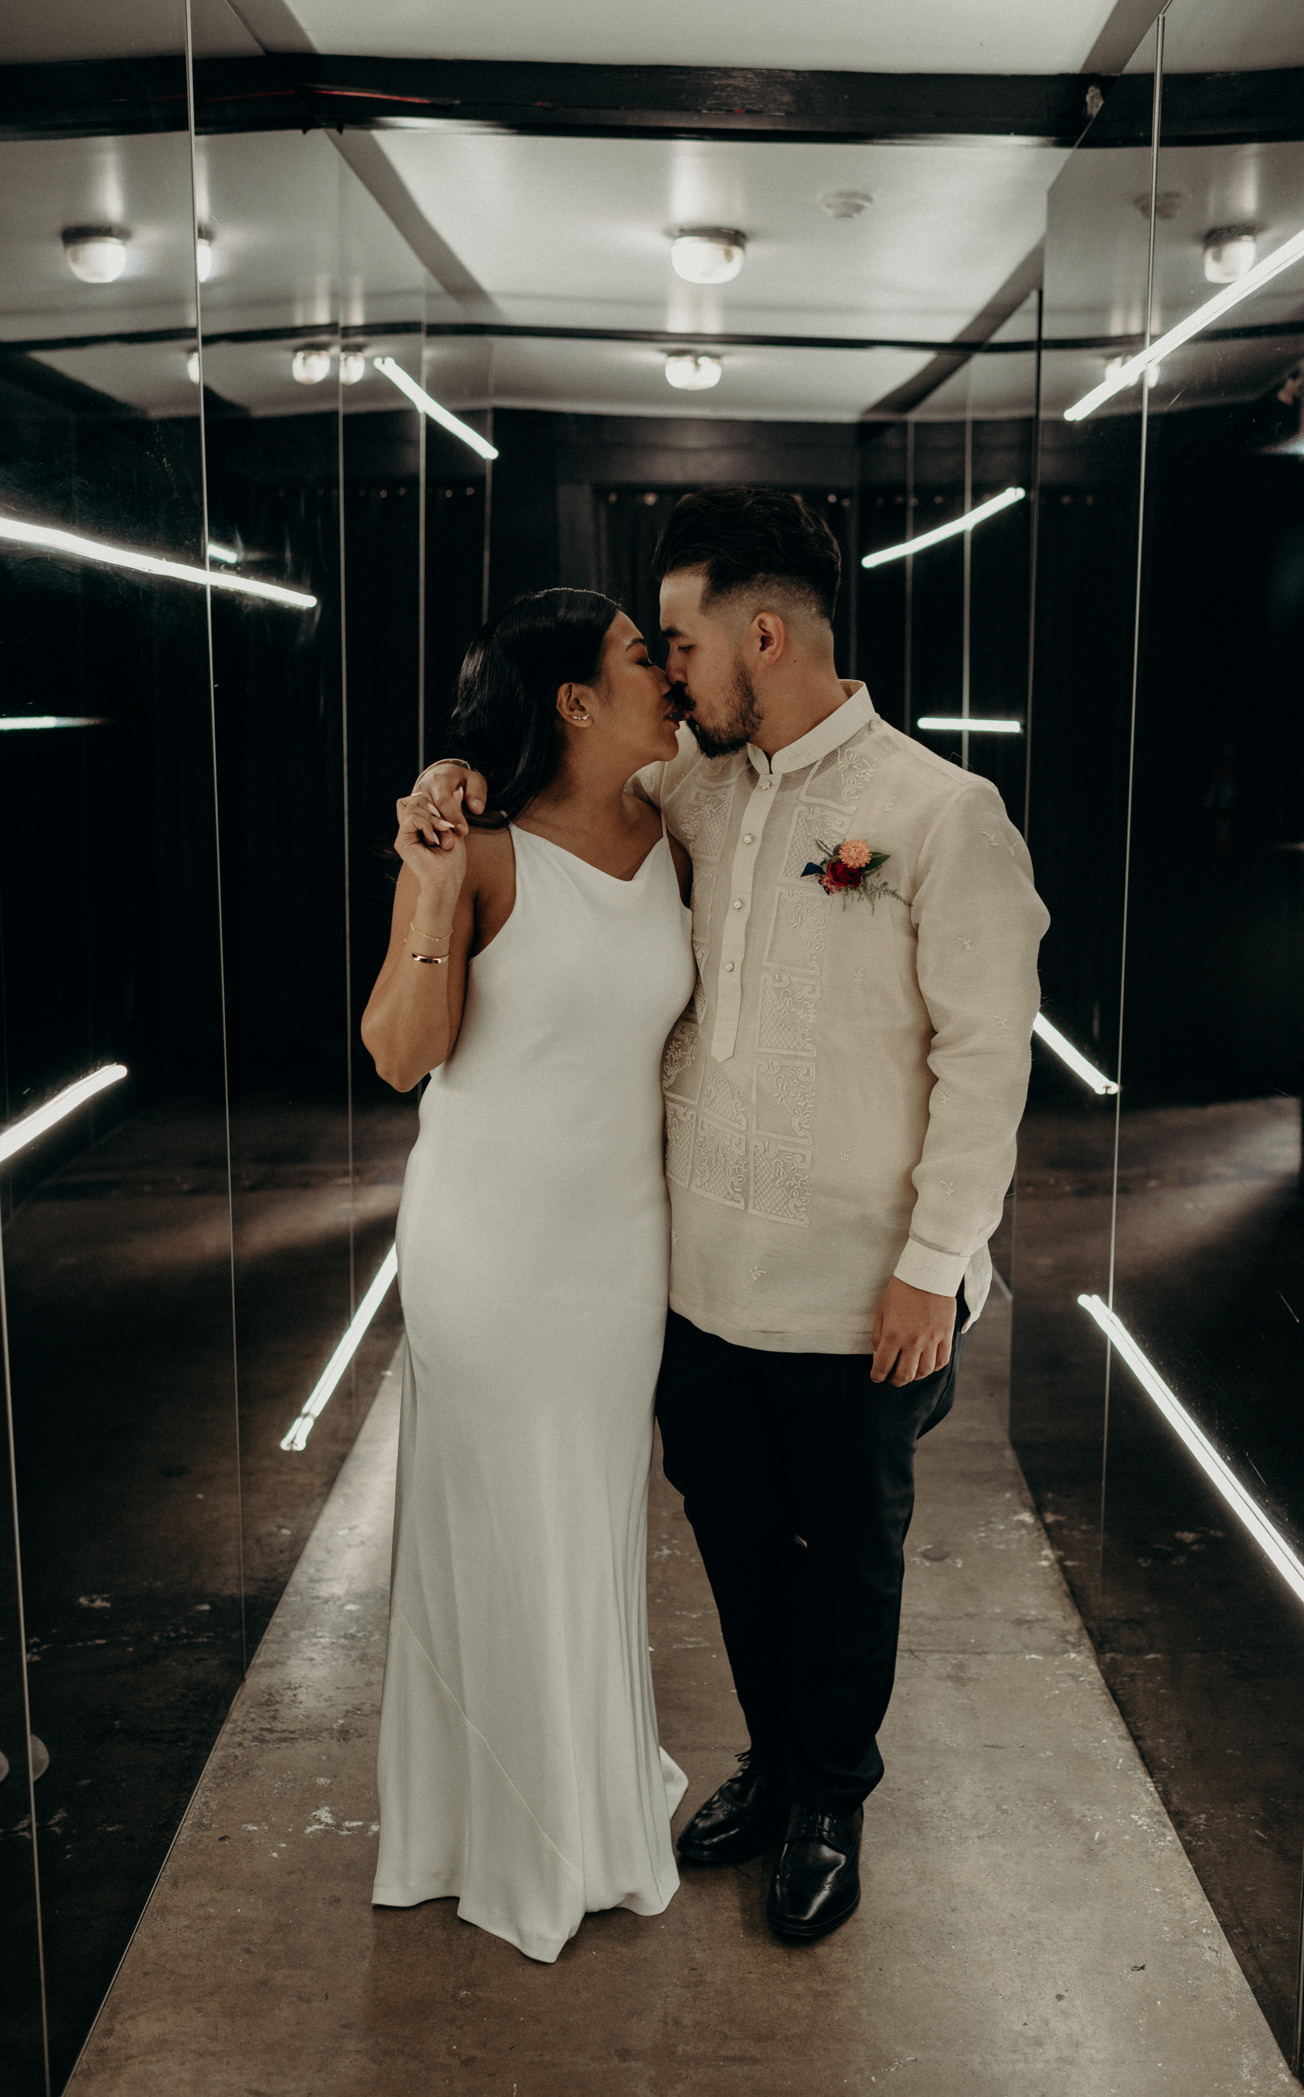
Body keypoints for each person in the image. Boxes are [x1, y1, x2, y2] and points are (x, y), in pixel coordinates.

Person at [414, 485, 1049, 1945]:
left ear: (764, 634)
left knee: (850, 1560)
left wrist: (934, 1269)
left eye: (683, 641)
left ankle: (831, 1798)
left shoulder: (939, 817)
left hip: (860, 1293)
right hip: (699, 1288)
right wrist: (449, 767)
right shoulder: (687, 790)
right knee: (740, 1548)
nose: (671, 671)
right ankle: (773, 1759)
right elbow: (542, 764)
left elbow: (986, 1062)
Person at [360, 587, 696, 1964]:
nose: (669, 671)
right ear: (572, 697)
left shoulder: (681, 826)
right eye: (640, 655)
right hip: (488, 1247)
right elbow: (398, 1051)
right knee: (506, 1527)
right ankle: (504, 1835)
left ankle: (587, 1807)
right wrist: (432, 880)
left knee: (594, 1524)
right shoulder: (474, 845)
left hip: (620, 1249)